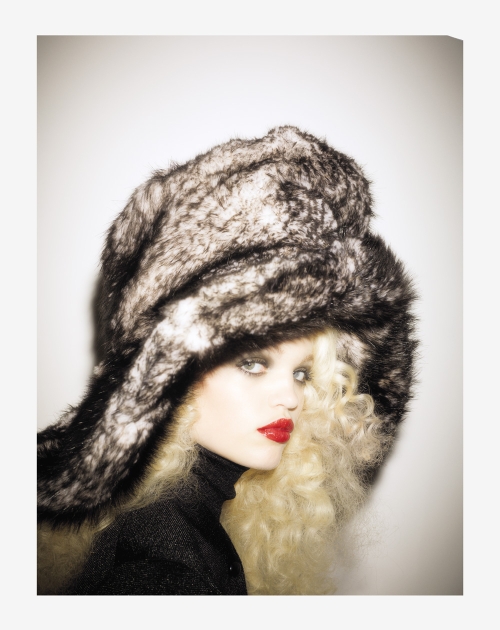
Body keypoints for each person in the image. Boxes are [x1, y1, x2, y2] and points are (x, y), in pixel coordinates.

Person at [37, 126, 417, 595]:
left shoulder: (187, 521)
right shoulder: (162, 572)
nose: (291, 397)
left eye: (301, 373)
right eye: (253, 364)